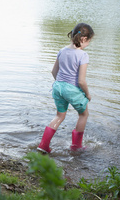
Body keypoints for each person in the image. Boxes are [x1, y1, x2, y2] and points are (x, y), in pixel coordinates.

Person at [37, 23, 95, 154]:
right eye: (89, 41)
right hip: (72, 89)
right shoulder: (83, 55)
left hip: (58, 87)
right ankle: (76, 146)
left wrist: (62, 86)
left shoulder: (62, 51)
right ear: (84, 39)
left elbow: (53, 72)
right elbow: (81, 81)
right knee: (83, 114)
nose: (88, 45)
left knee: (59, 116)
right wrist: (88, 94)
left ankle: (43, 145)